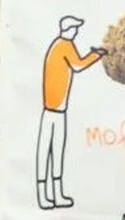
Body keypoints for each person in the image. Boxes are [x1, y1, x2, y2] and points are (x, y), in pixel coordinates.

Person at [36, 17, 105, 210]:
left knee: (51, 152)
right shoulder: (64, 46)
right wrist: (96, 55)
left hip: (55, 109)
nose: (76, 31)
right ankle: (46, 196)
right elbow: (78, 65)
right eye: (75, 28)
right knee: (50, 152)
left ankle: (53, 195)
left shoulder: (58, 45)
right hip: (55, 110)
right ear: (69, 29)